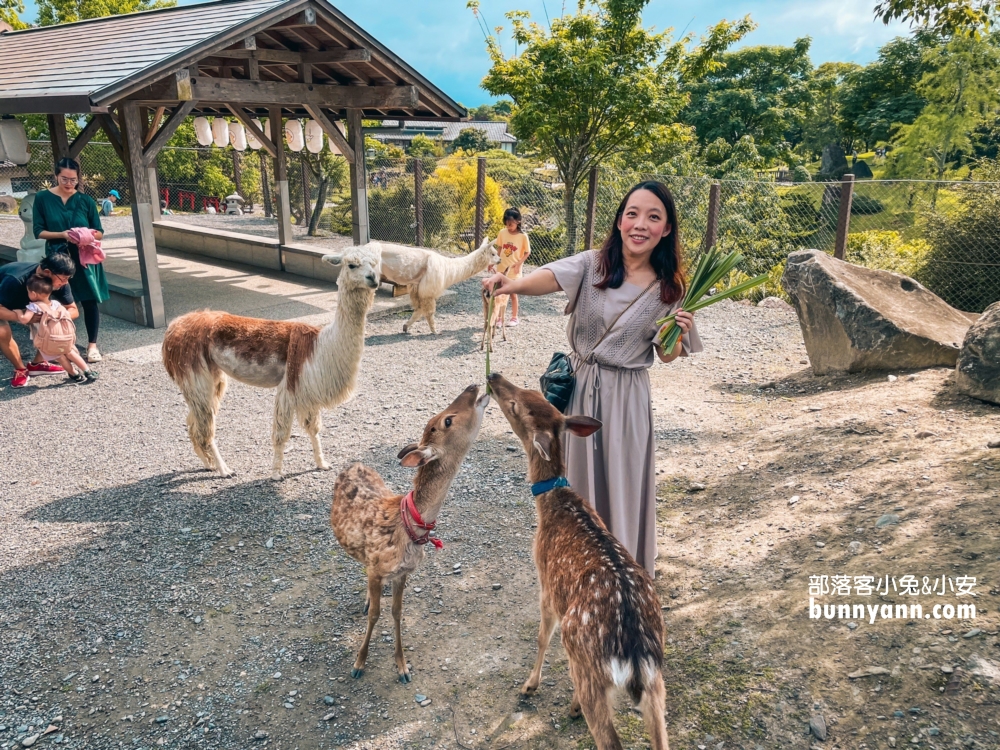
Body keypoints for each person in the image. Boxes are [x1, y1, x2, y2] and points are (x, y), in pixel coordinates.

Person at [482, 181, 701, 575]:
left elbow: (667, 355)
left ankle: (626, 572)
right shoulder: (594, 263)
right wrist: (511, 283)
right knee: (577, 483)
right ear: (619, 220)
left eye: (654, 217)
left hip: (627, 397)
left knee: (624, 480)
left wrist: (680, 333)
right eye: (632, 213)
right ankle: (582, 571)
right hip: (581, 389)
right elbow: (549, 276)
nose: (640, 224)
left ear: (666, 229)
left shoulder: (671, 289)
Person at [33, 157, 109, 363]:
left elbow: (100, 232)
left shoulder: (85, 201)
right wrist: (63, 235)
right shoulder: (42, 198)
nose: (69, 184)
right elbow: (38, 232)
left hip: (83, 257)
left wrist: (86, 235)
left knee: (89, 300)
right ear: (56, 176)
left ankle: (92, 345)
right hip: (57, 259)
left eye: (73, 180)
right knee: (57, 302)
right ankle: (61, 343)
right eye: (64, 179)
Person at [0, 252, 79, 387]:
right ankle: (20, 369)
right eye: (64, 279)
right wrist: (23, 318)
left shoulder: (59, 280)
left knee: (52, 326)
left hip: (29, 308)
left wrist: (53, 318)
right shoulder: (15, 279)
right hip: (5, 303)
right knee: (2, 331)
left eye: (68, 278)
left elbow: (73, 309)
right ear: (47, 272)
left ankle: (37, 364)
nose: (66, 282)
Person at [16, 274, 97, 383]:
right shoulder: (56, 304)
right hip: (63, 336)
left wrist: (18, 312)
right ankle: (88, 371)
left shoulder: (33, 306)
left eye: (28, 292)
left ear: (33, 294)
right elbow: (66, 314)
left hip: (47, 340)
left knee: (61, 358)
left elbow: (24, 320)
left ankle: (75, 374)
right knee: (70, 353)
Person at [491, 207, 531, 326]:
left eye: (511, 224)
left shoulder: (523, 236)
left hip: (514, 271)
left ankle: (514, 317)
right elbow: (499, 248)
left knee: (513, 294)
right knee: (499, 294)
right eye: (507, 224)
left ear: (518, 221)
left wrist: (519, 264)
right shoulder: (502, 233)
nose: (508, 226)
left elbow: (527, 252)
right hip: (501, 269)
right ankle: (499, 318)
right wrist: (493, 262)